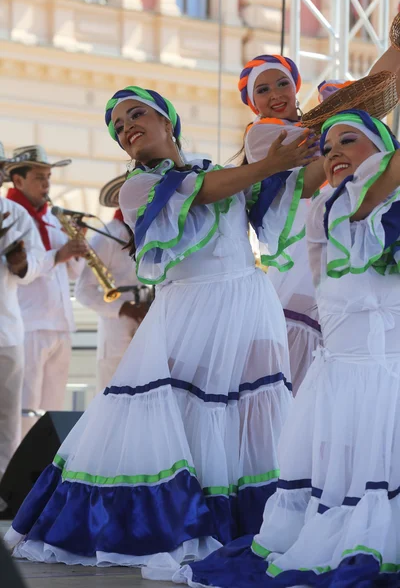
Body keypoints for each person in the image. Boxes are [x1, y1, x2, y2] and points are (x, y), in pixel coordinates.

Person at [4, 86, 318, 578]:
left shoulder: (214, 169)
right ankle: (184, 523)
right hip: (191, 310)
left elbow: (287, 188)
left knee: (248, 413)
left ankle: (255, 521)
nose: (126, 126)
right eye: (117, 127)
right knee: (189, 414)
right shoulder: (139, 188)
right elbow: (210, 192)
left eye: (136, 114)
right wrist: (267, 164)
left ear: (167, 121)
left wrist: (341, 148)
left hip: (247, 303)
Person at [175, 93, 400, 587]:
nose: (334, 150)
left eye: (350, 140)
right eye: (328, 145)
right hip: (345, 374)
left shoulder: (383, 207)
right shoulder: (332, 209)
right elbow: (365, 208)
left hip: (387, 374)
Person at [237, 54, 325, 395]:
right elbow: (317, 161)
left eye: (282, 83)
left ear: (295, 86)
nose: (275, 93)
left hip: (329, 244)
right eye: (263, 89)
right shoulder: (262, 135)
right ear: (252, 103)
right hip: (298, 258)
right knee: (292, 375)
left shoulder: (320, 126)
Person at [5, 146, 87, 436]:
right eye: (40, 177)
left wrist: (77, 249)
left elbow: (73, 272)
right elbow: (31, 269)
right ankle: (19, 478)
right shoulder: (12, 217)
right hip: (29, 325)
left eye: (49, 177)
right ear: (18, 181)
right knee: (23, 413)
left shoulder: (52, 219)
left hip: (59, 325)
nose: (47, 185)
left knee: (53, 414)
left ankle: (45, 474)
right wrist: (59, 254)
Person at [75, 174, 151, 391]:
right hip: (117, 329)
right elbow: (83, 291)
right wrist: (124, 308)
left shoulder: (150, 233)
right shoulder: (107, 235)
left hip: (146, 320)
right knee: (112, 394)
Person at [0, 143, 46, 494]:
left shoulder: (14, 214)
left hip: (7, 333)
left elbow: (37, 265)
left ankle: (2, 491)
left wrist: (21, 264)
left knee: (6, 421)